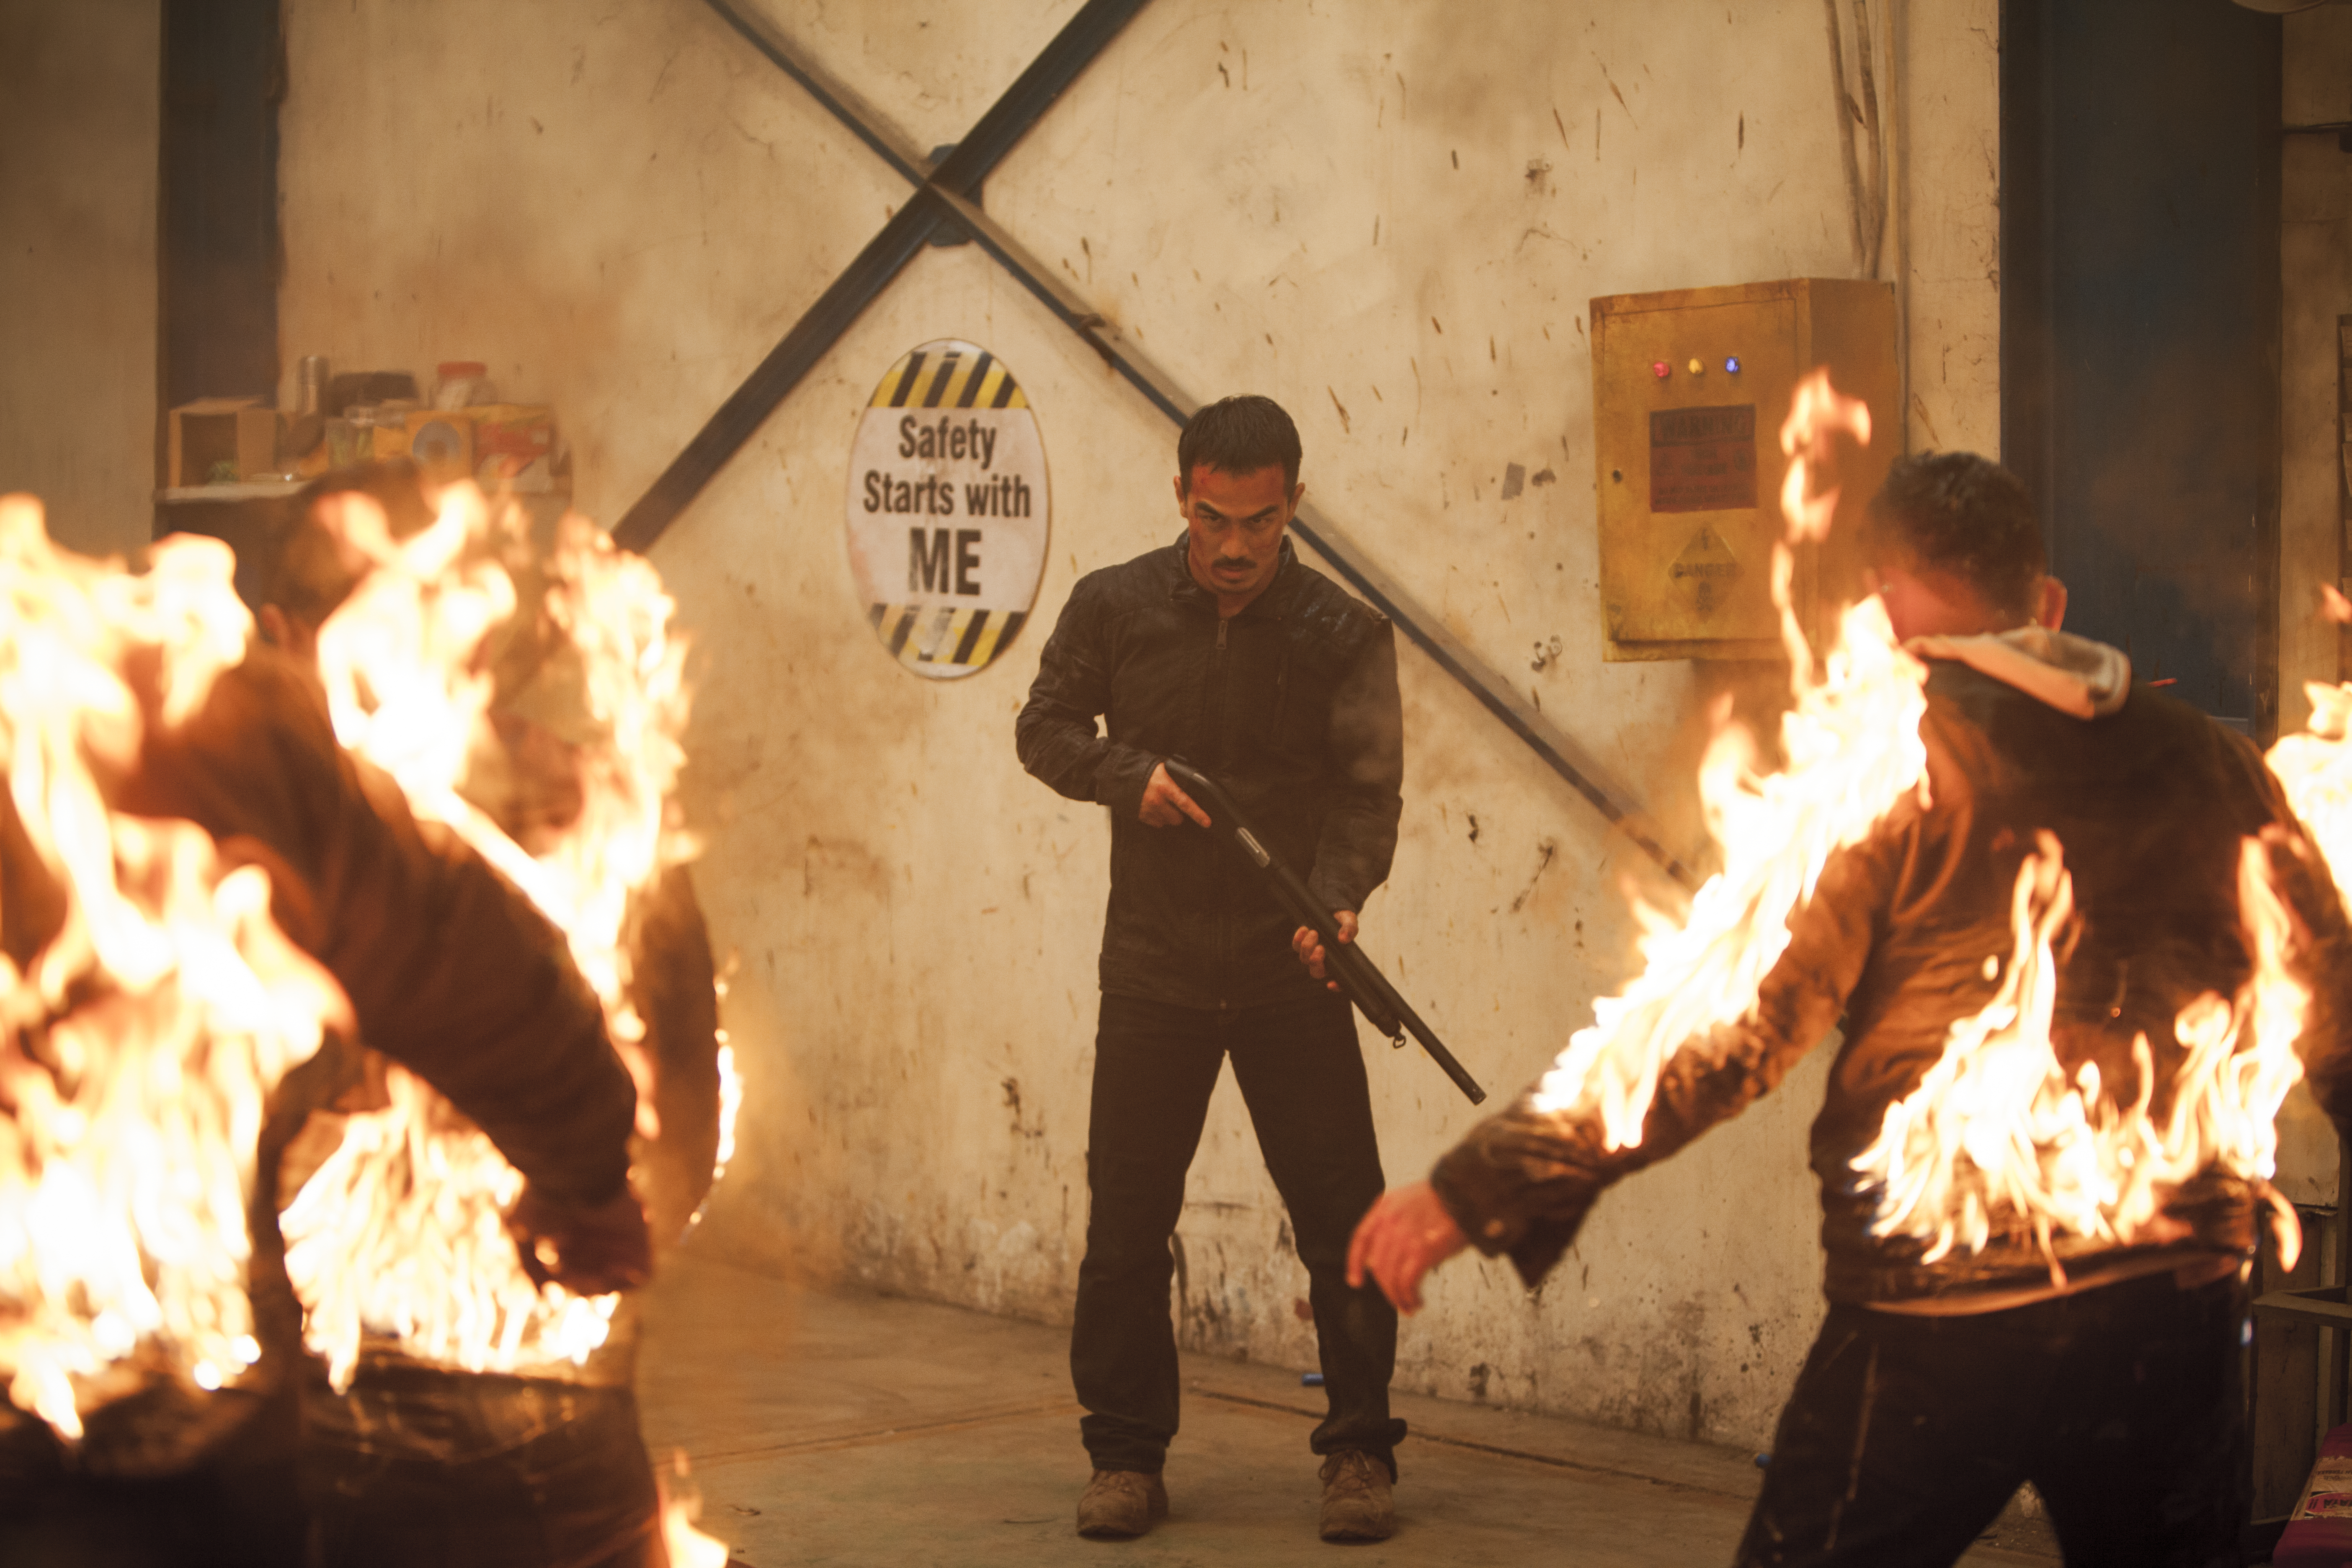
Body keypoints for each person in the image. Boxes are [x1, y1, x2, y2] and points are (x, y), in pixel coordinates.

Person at [1348, 451, 2352, 1568]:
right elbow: (2339, 1005)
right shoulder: (2217, 764)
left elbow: (1723, 1036)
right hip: (2170, 1299)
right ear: (2049, 602)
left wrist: (1478, 1188)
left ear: (1876, 604)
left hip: (1942, 1312)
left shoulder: (1882, 769)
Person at [0, 496, 650, 1567]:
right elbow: (456, 938)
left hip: (170, 1368)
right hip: (170, 1376)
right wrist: (584, 1176)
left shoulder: (170, 709)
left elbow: (442, 936)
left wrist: (583, 1170)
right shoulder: (180, 699)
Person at [1016, 395, 1409, 1542]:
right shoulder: (1115, 606)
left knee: (1342, 1218)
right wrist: (1120, 775)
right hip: (1153, 965)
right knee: (1129, 1222)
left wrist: (1337, 900)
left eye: (1261, 521)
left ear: (1296, 505)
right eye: (1213, 517)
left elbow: (1369, 791)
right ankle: (1126, 1457)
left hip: (1291, 967)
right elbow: (1044, 727)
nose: (1235, 548)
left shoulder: (1343, 632)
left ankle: (1359, 1458)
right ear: (1179, 493)